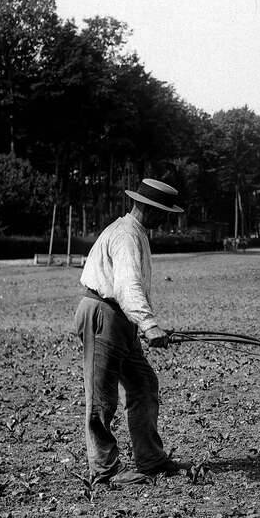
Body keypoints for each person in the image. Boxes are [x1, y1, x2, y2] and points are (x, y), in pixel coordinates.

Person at [74, 178, 187, 482]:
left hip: (121, 318)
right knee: (102, 397)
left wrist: (144, 324)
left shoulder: (136, 233)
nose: (164, 219)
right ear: (148, 208)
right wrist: (149, 325)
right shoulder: (126, 234)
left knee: (143, 384)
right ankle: (105, 470)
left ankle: (150, 459)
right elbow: (127, 285)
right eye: (163, 213)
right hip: (104, 313)